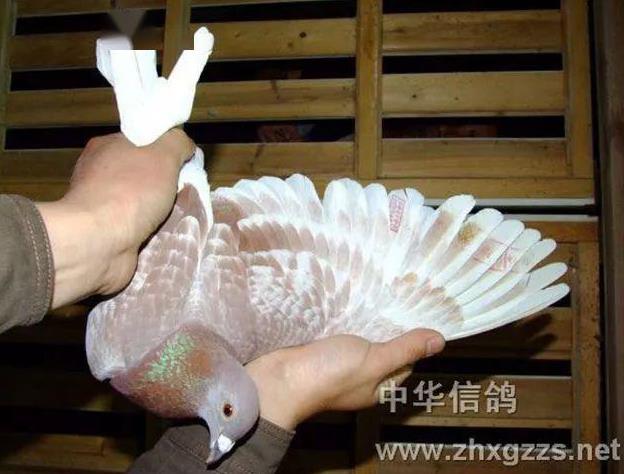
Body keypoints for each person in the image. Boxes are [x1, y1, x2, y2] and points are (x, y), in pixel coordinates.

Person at [0, 131, 446, 473]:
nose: (218, 443)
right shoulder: (118, 353)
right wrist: (91, 233)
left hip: (146, 208)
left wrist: (284, 388)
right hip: (153, 206)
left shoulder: (122, 357)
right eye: (226, 413)